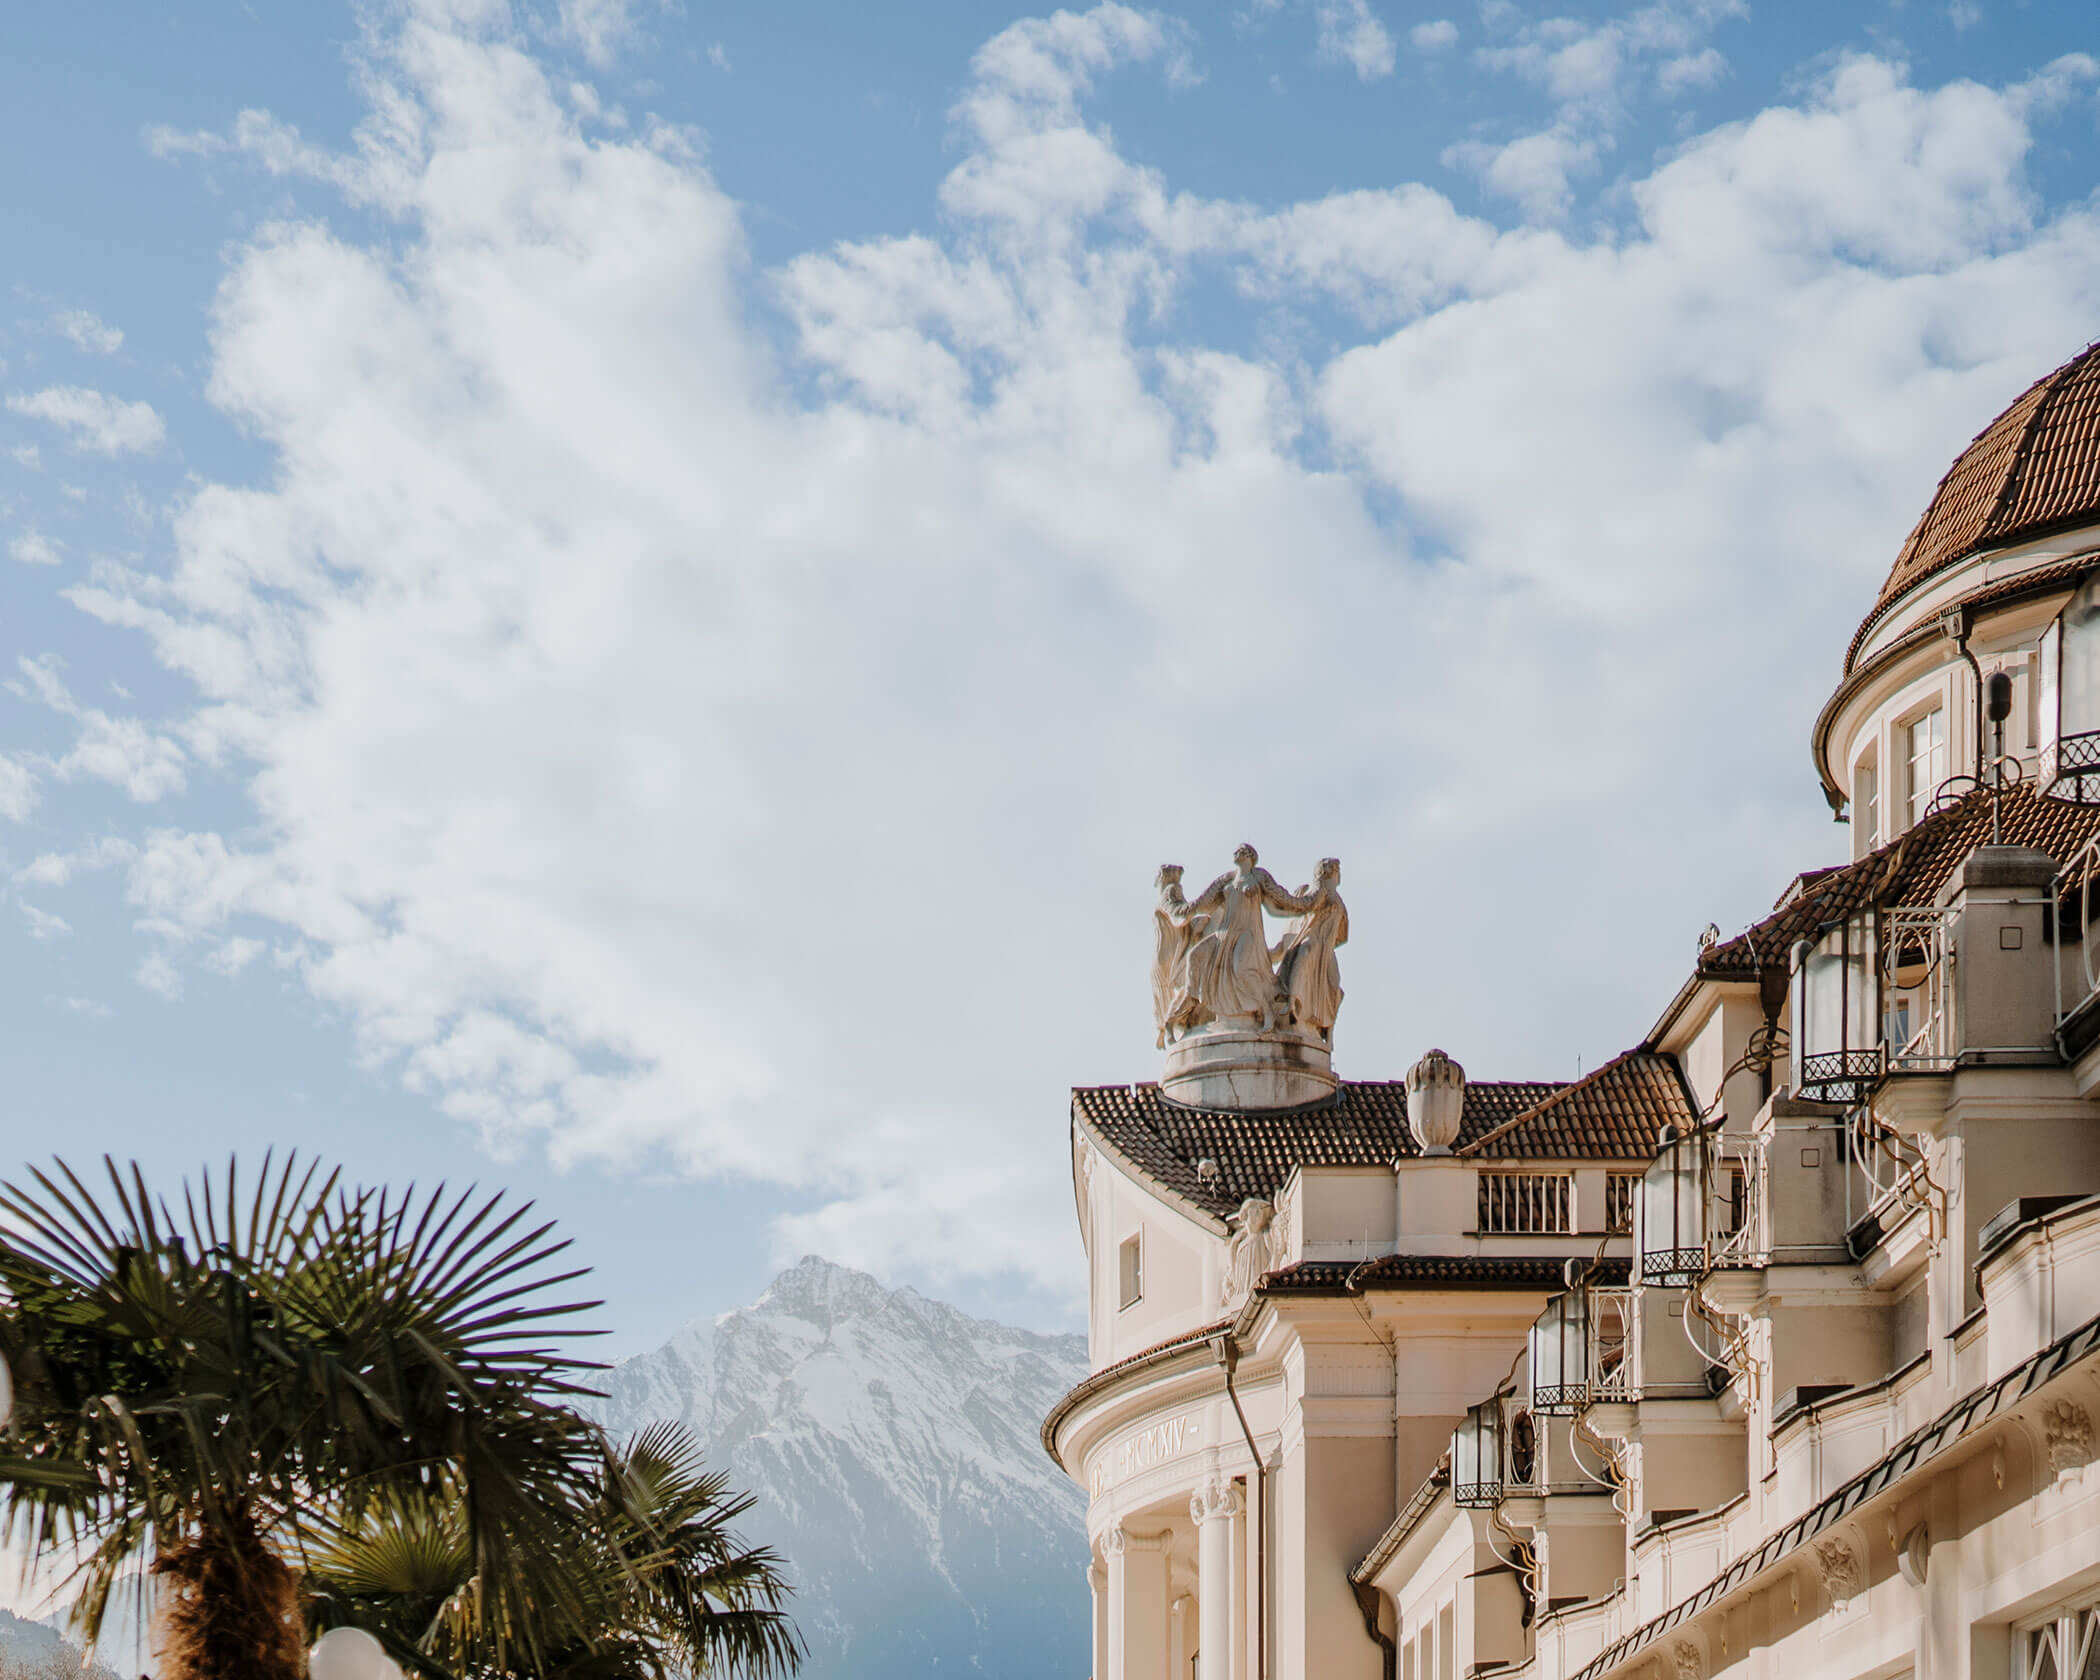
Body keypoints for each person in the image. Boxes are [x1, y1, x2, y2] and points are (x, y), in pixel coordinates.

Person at [1182, 844, 1308, 1032]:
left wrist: (1304, 908)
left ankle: (1266, 1012)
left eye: (1242, 850)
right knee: (1194, 956)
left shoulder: (1259, 876)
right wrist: (1180, 910)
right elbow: (1203, 902)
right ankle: (1195, 1000)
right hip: (1224, 933)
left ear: (1250, 856)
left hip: (1248, 933)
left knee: (1241, 969)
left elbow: (1277, 904)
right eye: (1237, 850)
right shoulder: (1227, 879)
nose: (1237, 852)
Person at [1271, 856, 1347, 1040]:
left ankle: (1328, 1029)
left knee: (1335, 986)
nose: (1337, 875)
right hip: (1312, 940)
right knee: (1303, 956)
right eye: (1335, 871)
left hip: (1326, 948)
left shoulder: (1338, 900)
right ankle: (1292, 1000)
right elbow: (1300, 906)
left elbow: (1342, 934)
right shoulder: (1319, 891)